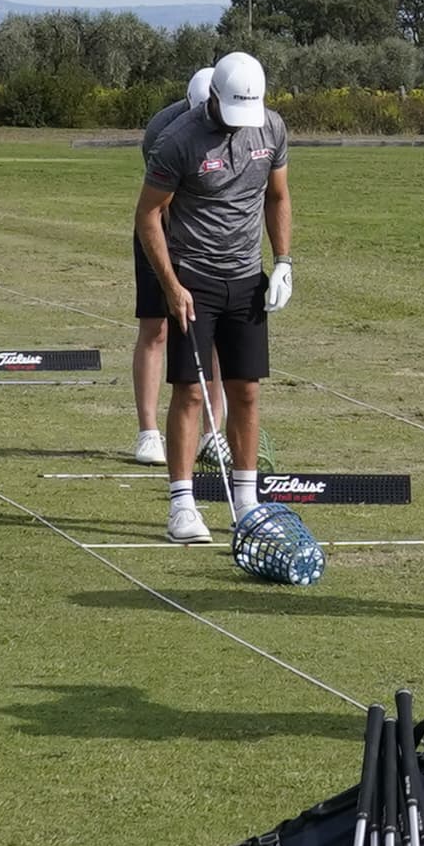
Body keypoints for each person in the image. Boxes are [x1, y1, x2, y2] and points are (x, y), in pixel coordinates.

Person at [132, 50, 292, 548]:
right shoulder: (178, 140)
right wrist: (171, 284)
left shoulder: (271, 129)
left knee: (247, 390)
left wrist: (283, 261)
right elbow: (148, 216)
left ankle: (246, 501)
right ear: (214, 97)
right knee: (191, 391)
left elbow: (278, 196)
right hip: (194, 278)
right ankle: (182, 504)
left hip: (247, 280)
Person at [130, 59, 214, 466]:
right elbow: (159, 206)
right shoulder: (161, 133)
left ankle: (214, 436)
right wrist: (172, 274)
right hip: (160, 229)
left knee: (212, 329)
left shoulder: (240, 123)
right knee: (156, 328)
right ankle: (148, 432)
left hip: (211, 235)